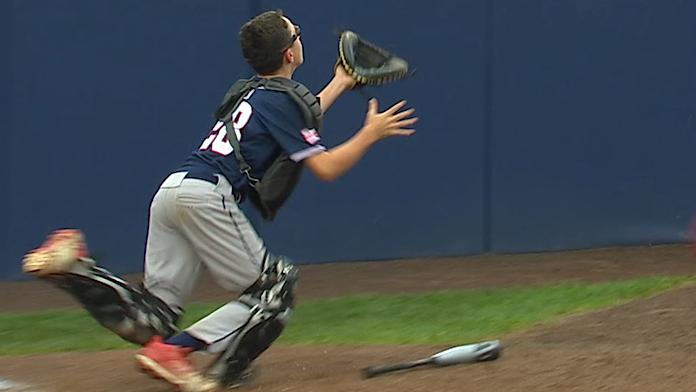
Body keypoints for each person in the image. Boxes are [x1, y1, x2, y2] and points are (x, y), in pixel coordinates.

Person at [22, 9, 417, 392]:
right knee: (275, 289)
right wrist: (370, 133)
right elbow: (326, 167)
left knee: (155, 316)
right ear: (290, 54)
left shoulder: (257, 94)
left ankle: (76, 267)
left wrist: (341, 82)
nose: (300, 36)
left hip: (173, 191)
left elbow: (299, 117)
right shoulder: (282, 99)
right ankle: (180, 355)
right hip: (206, 195)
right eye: (295, 33)